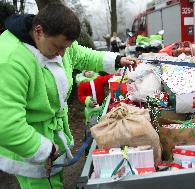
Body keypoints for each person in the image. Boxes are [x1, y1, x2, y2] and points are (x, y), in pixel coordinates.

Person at [0, 3, 136, 189]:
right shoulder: (10, 60)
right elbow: (6, 125)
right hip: (30, 150)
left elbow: (80, 54)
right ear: (38, 31)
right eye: (58, 47)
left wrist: (116, 60)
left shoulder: (54, 40)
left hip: (53, 140)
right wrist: (43, 149)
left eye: (66, 47)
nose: (62, 54)